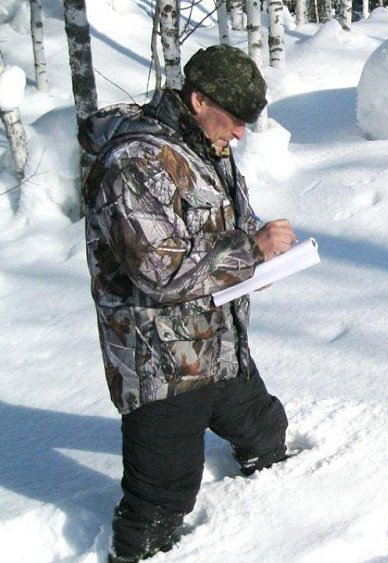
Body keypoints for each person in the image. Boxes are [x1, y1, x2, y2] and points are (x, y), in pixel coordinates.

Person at [80, 45, 296, 562]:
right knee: (161, 498)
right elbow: (158, 268)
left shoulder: (206, 147)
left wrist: (257, 256)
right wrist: (249, 252)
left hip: (218, 344)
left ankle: (287, 509)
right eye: (236, 120)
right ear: (198, 99)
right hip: (162, 364)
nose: (241, 133)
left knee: (266, 430)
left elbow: (225, 224)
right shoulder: (133, 161)